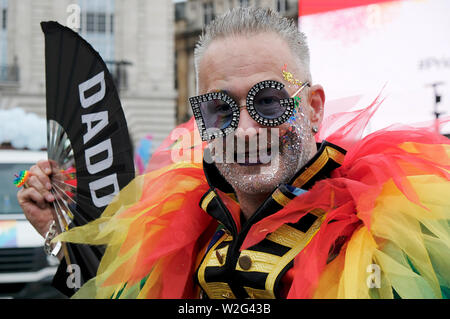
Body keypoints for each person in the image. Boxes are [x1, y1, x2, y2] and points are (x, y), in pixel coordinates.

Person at [18, 7, 449, 299]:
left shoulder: (390, 223)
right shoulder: (187, 222)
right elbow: (110, 289)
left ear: (314, 108)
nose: (244, 130)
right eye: (219, 108)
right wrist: (57, 234)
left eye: (268, 102)